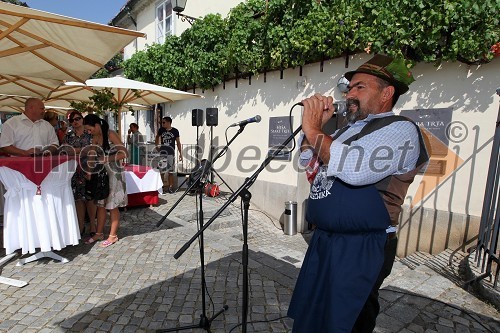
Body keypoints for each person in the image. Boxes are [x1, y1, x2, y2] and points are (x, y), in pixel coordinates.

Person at [288, 54, 429, 332]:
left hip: (362, 245)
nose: (350, 93)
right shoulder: (346, 130)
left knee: (347, 320)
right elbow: (306, 160)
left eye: (360, 87)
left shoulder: (400, 129)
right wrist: (320, 128)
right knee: (316, 316)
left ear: (387, 93)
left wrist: (314, 128)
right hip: (326, 240)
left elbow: (354, 169)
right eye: (349, 87)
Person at [82, 114, 128, 248]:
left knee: (112, 205)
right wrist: (89, 171)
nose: (89, 132)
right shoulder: (95, 137)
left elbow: (124, 153)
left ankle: (113, 236)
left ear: (97, 125)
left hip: (114, 174)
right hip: (102, 174)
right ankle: (99, 233)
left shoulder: (110, 134)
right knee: (101, 204)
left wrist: (107, 159)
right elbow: (92, 153)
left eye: (90, 129)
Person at [62, 111, 96, 237]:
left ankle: (93, 224)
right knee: (78, 198)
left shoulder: (90, 133)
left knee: (90, 198)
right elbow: (64, 150)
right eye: (72, 120)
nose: (75, 122)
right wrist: (82, 150)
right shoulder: (69, 135)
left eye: (77, 119)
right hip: (74, 170)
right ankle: (80, 225)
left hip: (89, 168)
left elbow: (94, 149)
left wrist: (75, 151)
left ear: (82, 119)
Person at [155, 116, 183, 193]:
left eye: (163, 122)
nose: (162, 124)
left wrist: (180, 153)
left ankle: (170, 187)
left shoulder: (175, 131)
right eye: (162, 122)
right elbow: (157, 137)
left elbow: (178, 142)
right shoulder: (161, 130)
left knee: (170, 171)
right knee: (162, 171)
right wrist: (157, 146)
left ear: (168, 122)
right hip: (163, 153)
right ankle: (162, 186)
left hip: (171, 153)